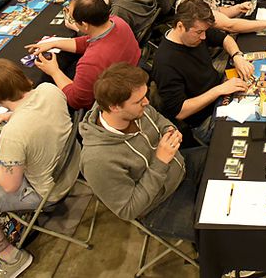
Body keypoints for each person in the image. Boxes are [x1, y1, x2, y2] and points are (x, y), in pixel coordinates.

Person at [0, 59, 79, 278]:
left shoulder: (13, 135)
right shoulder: (49, 89)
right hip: (74, 168)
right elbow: (41, 113)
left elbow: (9, 185)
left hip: (49, 191)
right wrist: (13, 116)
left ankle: (11, 257)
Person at [79, 62, 204, 241]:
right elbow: (128, 209)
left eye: (145, 96)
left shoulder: (135, 109)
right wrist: (160, 162)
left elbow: (158, 119)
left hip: (181, 167)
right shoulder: (97, 160)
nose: (147, 102)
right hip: (160, 205)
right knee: (218, 231)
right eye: (139, 101)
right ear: (115, 107)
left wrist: (169, 129)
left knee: (227, 159)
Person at [153, 0, 253, 144]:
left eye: (205, 31)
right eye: (199, 32)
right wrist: (219, 90)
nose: (204, 37)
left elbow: (225, 38)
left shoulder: (198, 30)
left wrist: (237, 56)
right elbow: (180, 111)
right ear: (180, 26)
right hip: (206, 119)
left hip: (220, 89)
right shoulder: (164, 63)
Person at [27, 0, 141, 111]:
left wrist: (54, 71)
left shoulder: (90, 62)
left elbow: (77, 101)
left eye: (72, 19)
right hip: (129, 75)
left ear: (85, 25)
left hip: (111, 96)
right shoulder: (117, 21)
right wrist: (55, 43)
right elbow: (89, 41)